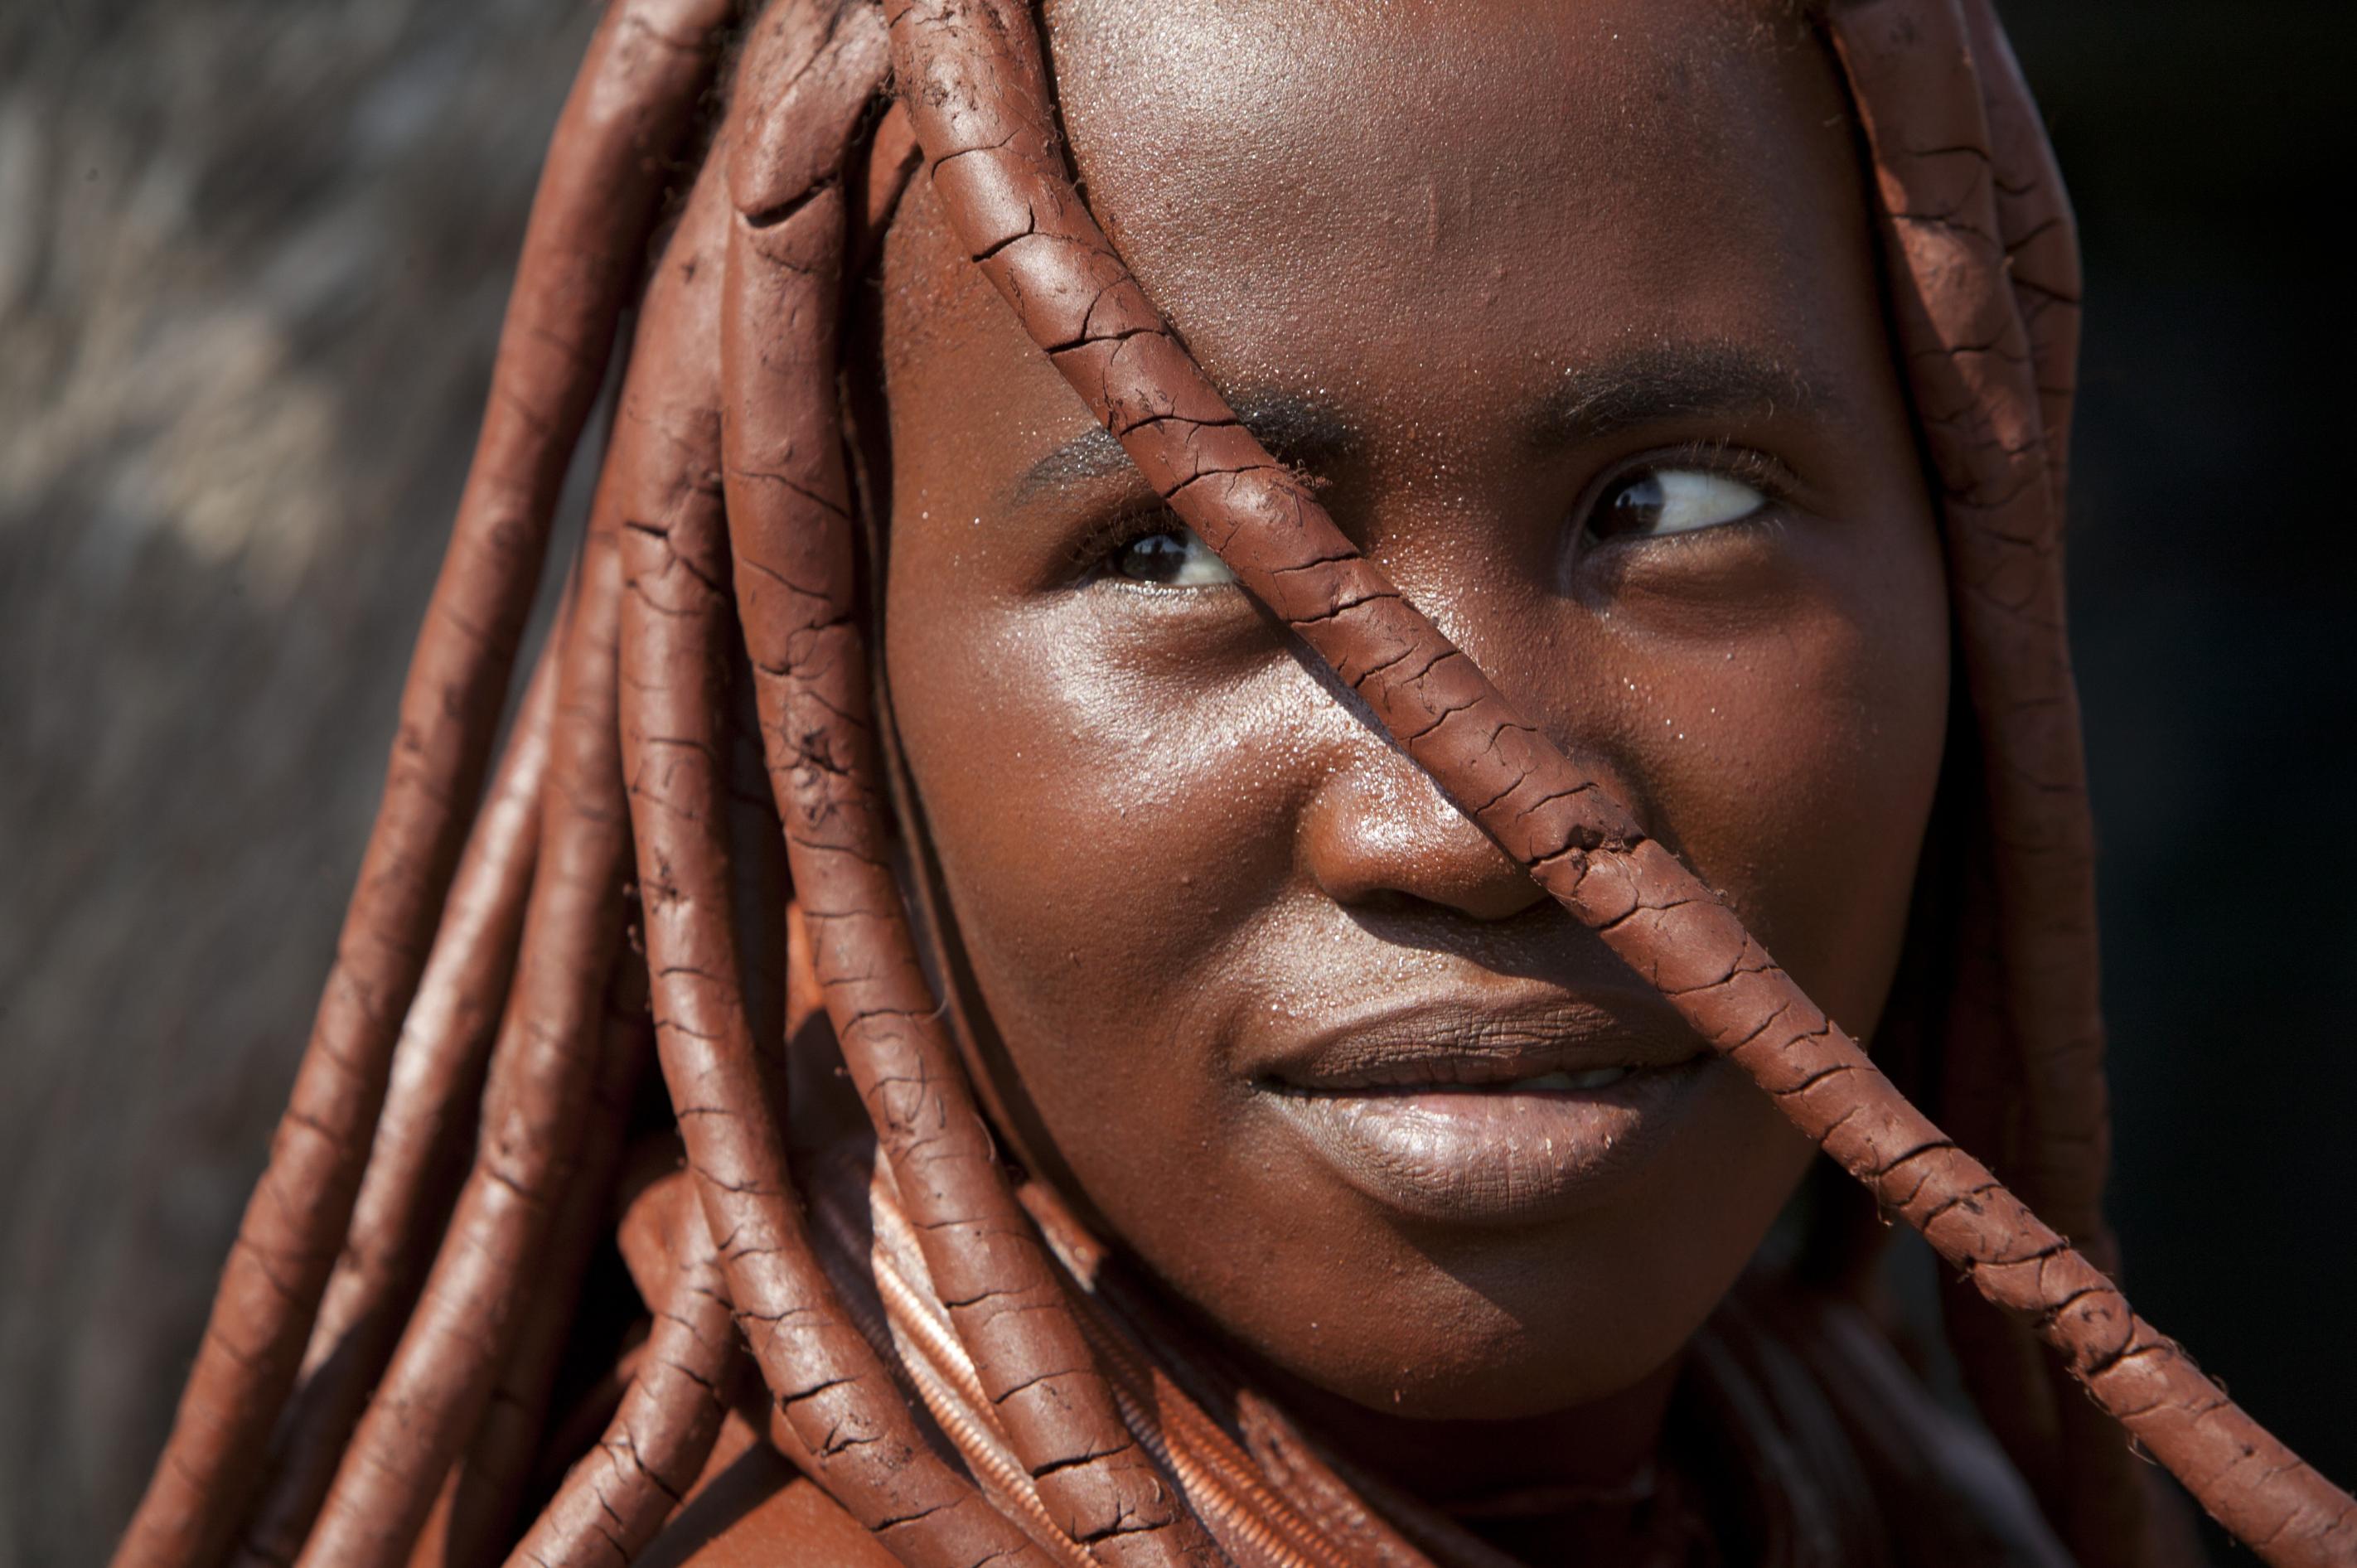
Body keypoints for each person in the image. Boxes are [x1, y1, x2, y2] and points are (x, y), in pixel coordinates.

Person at [109, 2, 2355, 1566]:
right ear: (826, 680)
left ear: (1968, 559)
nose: (1475, 813)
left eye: (1672, 506)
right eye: (1171, 548)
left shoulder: (1870, 1489)